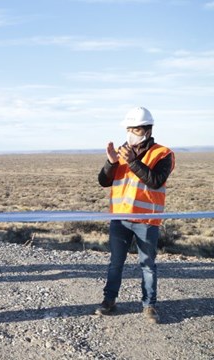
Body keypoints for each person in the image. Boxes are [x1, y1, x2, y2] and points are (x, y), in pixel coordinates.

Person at [95, 106, 175, 324]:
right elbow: (104, 181)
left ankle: (149, 305)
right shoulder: (121, 152)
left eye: (135, 129)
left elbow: (156, 180)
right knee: (115, 263)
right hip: (119, 219)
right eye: (128, 128)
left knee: (147, 265)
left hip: (146, 220)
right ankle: (109, 301)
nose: (130, 133)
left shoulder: (163, 154)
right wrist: (111, 162)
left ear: (147, 130)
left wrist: (132, 161)